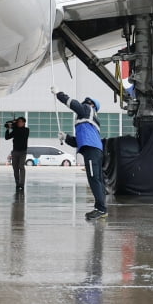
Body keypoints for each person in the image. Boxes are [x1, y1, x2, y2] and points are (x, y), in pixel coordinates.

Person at [53, 87, 107, 220]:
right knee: (98, 180)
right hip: (94, 150)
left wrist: (59, 94)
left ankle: (101, 209)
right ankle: (100, 208)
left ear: (91, 104)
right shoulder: (87, 120)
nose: (85, 102)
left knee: (94, 179)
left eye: (88, 101)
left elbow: (74, 104)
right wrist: (66, 137)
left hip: (92, 150)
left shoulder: (87, 109)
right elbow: (79, 141)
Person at [4, 116, 30, 190]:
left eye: (20, 122)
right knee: (15, 168)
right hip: (15, 152)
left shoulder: (26, 130)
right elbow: (7, 137)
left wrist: (13, 125)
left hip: (23, 152)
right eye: (18, 122)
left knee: (21, 167)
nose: (19, 123)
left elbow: (21, 133)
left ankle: (22, 184)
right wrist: (8, 128)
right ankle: (17, 184)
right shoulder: (15, 130)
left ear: (24, 123)